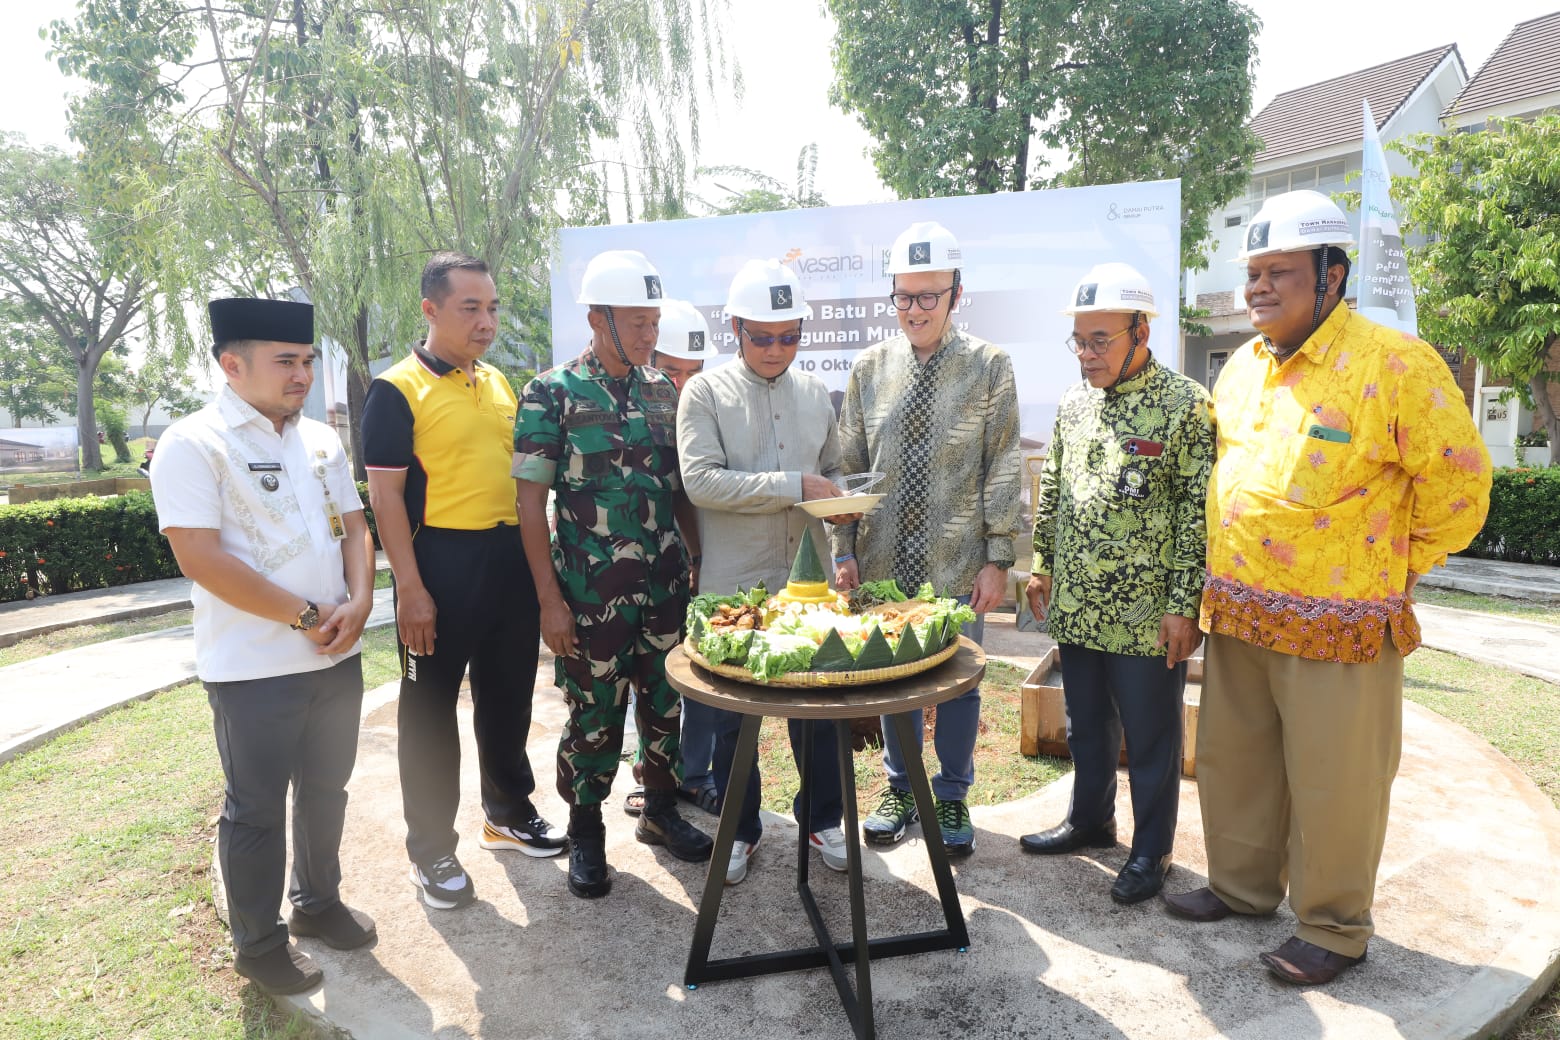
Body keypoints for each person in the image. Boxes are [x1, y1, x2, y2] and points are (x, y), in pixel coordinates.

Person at [1163, 189, 1492, 985]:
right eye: (1253, 273)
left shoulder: (1395, 364)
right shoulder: (1241, 367)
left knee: (1334, 782)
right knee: (1236, 762)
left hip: (1340, 622)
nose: (1259, 288)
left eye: (1280, 272)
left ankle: (1334, 927)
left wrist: (1394, 561)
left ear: (1333, 277)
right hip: (1240, 610)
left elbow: (1461, 485)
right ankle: (1242, 890)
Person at [151, 298, 376, 995]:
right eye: (287, 361)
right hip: (252, 669)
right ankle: (258, 942)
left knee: (327, 792)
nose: (303, 373)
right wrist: (306, 615)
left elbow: (356, 528)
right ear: (232, 363)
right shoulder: (196, 442)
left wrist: (361, 601)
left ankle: (317, 904)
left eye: (307, 360)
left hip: (336, 654)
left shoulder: (319, 440)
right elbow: (202, 559)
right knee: (255, 808)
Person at [362, 252, 564, 913]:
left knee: (507, 697)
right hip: (438, 568)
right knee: (428, 716)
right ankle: (432, 851)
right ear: (430, 310)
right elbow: (386, 499)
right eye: (470, 308)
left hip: (505, 562)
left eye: (493, 307)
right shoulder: (395, 391)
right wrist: (411, 589)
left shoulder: (500, 383)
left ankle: (507, 812)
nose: (487, 321)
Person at [513, 249, 713, 900]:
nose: (649, 336)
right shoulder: (552, 394)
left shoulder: (663, 391)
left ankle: (658, 811)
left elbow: (680, 488)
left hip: (663, 590)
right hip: (590, 597)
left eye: (654, 322)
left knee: (665, 705)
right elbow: (528, 504)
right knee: (594, 715)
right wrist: (548, 602)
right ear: (597, 319)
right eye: (636, 322)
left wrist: (697, 560)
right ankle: (588, 830)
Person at [1020, 263, 1214, 905]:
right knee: (1084, 724)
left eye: (1100, 339)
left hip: (1145, 612)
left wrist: (1183, 605)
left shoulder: (1186, 405)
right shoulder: (1075, 404)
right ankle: (1090, 821)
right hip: (1078, 603)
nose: (1086, 353)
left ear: (1141, 331)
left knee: (1152, 733)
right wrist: (1042, 562)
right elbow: (1053, 488)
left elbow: (1196, 513)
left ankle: (1151, 849)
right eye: (1078, 340)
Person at [834, 220, 1022, 857]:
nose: (915, 310)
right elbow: (849, 467)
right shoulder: (869, 369)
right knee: (895, 679)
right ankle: (899, 787)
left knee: (960, 679)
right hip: (884, 559)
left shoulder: (990, 368)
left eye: (929, 296)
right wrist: (844, 549)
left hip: (957, 561)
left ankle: (952, 793)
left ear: (956, 295)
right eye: (904, 296)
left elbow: (1002, 465)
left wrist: (999, 559)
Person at [678, 258, 860, 884]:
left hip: (806, 588)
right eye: (763, 336)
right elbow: (699, 481)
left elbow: (832, 471)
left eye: (790, 336)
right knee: (735, 721)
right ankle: (739, 829)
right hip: (737, 590)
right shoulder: (704, 393)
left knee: (818, 709)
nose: (777, 349)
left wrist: (842, 514)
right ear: (734, 328)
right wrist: (791, 485)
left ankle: (823, 817)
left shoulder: (815, 395)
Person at [621, 298, 721, 818]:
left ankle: (694, 772)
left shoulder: (711, 410)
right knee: (651, 672)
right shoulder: (630, 407)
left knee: (699, 669)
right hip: (639, 566)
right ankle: (647, 770)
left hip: (701, 560)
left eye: (693, 371)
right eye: (671, 369)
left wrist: (702, 557)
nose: (682, 383)